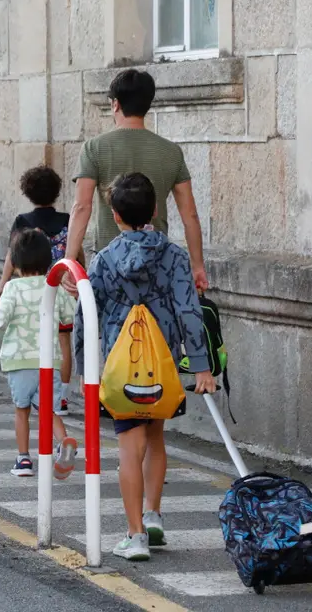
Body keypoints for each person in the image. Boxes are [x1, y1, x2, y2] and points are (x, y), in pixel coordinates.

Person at [74, 173, 216, 561]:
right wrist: (201, 367)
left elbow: (87, 313)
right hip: (163, 360)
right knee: (155, 435)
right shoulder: (174, 257)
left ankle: (135, 535)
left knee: (128, 447)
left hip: (122, 364)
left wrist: (83, 365)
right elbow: (190, 312)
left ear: (115, 216)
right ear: (155, 209)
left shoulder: (104, 260)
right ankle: (153, 516)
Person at [65, 69, 208, 292]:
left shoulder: (94, 148)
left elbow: (82, 207)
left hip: (109, 262)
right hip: (157, 262)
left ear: (115, 104)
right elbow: (189, 214)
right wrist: (197, 265)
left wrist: (70, 261)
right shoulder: (171, 152)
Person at [0, 230, 81, 478]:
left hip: (20, 359)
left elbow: (1, 314)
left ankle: (24, 459)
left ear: (15, 263)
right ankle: (64, 441)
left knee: (21, 409)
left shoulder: (13, 288)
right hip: (50, 359)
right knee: (49, 409)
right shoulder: (54, 286)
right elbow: (70, 314)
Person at [0, 165, 80, 415]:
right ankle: (61, 396)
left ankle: (34, 389)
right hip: (63, 286)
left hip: (31, 289)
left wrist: (2, 285)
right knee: (63, 340)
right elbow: (77, 252)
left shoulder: (24, 221)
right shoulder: (67, 220)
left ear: (28, 193)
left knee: (35, 338)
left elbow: (13, 254)